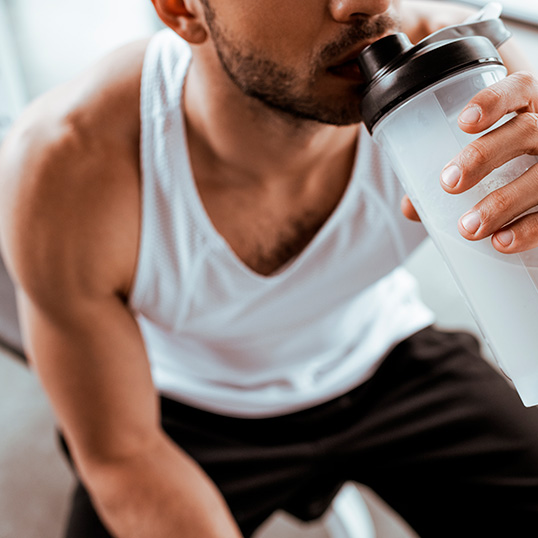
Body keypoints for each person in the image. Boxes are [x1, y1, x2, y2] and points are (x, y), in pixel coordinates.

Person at [1, 0, 538, 536]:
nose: (371, 4)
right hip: (183, 409)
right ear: (181, 10)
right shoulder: (67, 167)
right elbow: (121, 455)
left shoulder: (463, 74)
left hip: (382, 354)